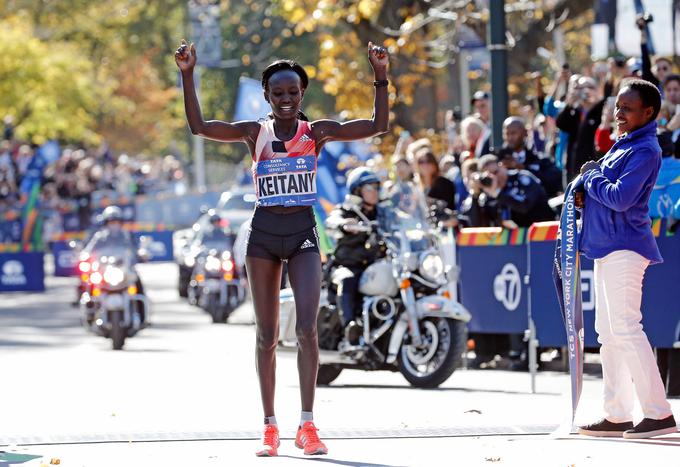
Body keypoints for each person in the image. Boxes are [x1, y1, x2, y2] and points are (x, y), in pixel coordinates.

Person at [175, 38, 389, 457]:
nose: (286, 99)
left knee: (308, 328)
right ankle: (269, 426)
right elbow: (200, 127)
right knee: (267, 335)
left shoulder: (317, 132)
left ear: (302, 93)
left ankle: (307, 425)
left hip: (304, 233)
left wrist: (380, 76)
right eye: (278, 93)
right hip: (264, 239)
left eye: (293, 92)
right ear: (267, 96)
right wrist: (187, 75)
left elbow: (376, 125)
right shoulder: (255, 132)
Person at [576, 79, 676, 439]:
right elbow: (606, 193)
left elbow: (620, 197)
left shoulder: (645, 149)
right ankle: (616, 414)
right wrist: (587, 193)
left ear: (648, 113)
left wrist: (591, 179)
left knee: (626, 329)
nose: (618, 113)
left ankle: (658, 413)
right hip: (608, 247)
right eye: (617, 106)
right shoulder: (624, 145)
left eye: (627, 108)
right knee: (609, 333)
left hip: (626, 247)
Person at [325, 168, 385, 342]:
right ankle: (350, 327)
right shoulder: (347, 210)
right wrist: (344, 224)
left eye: (376, 187)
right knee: (347, 279)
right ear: (357, 190)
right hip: (346, 265)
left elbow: (402, 220)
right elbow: (332, 221)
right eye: (369, 188)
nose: (374, 192)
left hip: (374, 267)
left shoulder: (382, 213)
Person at [477, 154, 555, 228]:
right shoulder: (489, 193)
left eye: (496, 172)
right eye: (489, 176)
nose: (495, 178)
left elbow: (524, 206)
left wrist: (498, 194)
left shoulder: (521, 178)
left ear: (502, 166)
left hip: (544, 231)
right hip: (516, 239)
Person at [556, 76, 605, 182]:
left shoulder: (602, 110)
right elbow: (560, 124)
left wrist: (597, 101)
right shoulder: (574, 112)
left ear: (597, 90)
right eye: (581, 88)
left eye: (590, 87)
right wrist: (570, 102)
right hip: (573, 168)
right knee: (573, 197)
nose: (586, 91)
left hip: (595, 168)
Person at [500, 116, 562, 197]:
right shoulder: (499, 160)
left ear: (525, 133)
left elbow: (554, 184)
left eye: (513, 133)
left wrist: (523, 168)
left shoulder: (541, 160)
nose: (510, 138)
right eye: (507, 134)